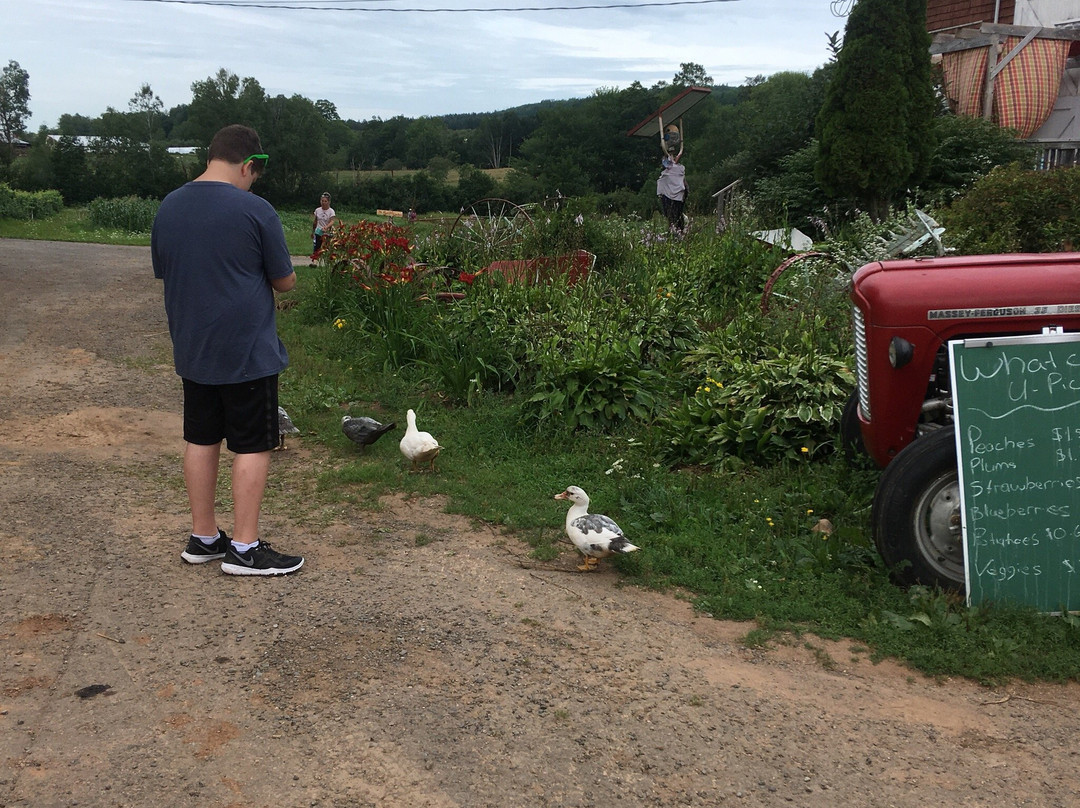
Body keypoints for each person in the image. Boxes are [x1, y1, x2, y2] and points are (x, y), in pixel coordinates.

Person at [151, 124, 305, 576]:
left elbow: (168, 270)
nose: (251, 182)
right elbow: (285, 280)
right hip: (247, 355)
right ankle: (244, 548)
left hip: (193, 350)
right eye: (253, 174)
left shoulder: (169, 207)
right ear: (247, 165)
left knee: (201, 438)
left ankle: (203, 538)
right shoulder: (256, 211)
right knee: (253, 444)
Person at [657, 156, 688, 232]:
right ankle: (673, 230)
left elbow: (684, 186)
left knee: (678, 213)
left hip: (678, 194)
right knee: (670, 215)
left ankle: (679, 230)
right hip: (668, 193)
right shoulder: (667, 166)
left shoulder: (679, 169)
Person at [311, 192, 337, 262]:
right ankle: (315, 261)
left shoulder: (331, 211)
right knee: (317, 246)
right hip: (319, 230)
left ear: (328, 202)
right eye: (322, 201)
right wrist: (313, 232)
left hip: (327, 231)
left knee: (327, 246)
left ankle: (329, 260)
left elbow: (332, 221)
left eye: (325, 201)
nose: (323, 203)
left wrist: (326, 227)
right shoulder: (317, 210)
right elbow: (315, 221)